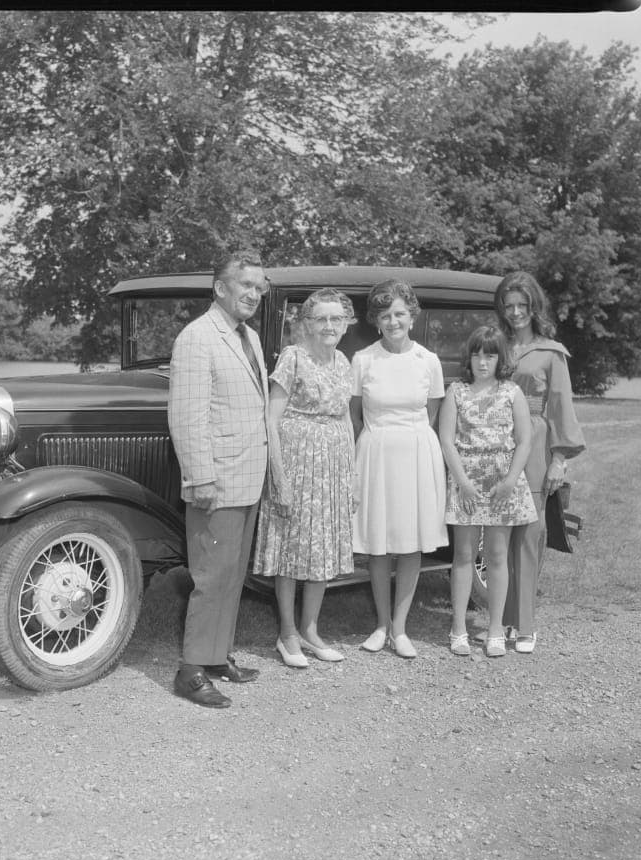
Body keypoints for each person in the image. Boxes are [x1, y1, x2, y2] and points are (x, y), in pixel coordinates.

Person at [167, 249, 271, 707]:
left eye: (259, 287)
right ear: (220, 288)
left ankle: (216, 656)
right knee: (211, 575)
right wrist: (200, 478)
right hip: (218, 479)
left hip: (249, 474)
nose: (254, 294)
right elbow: (187, 417)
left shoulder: (248, 336)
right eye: (245, 285)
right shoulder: (197, 337)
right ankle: (190, 670)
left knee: (232, 574)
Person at [252, 289, 357, 669]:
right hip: (297, 462)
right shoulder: (293, 358)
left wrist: (352, 475)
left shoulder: (344, 362)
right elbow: (272, 419)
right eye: (321, 319)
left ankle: (311, 630)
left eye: (336, 319)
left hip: (331, 467)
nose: (329, 326)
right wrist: (278, 475)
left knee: (322, 549)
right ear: (307, 324)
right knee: (291, 551)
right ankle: (287, 633)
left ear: (346, 324)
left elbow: (345, 418)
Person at [350, 279, 448, 659]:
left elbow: (432, 415)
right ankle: (381, 625)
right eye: (385, 314)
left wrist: (410, 438)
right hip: (375, 453)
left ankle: (402, 629)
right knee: (378, 544)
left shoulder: (428, 361)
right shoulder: (363, 360)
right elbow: (355, 416)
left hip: (416, 453)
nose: (393, 321)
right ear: (376, 320)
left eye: (400, 314)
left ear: (412, 316)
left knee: (409, 543)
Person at [494, 272, 586, 653]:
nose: (516, 312)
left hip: (533, 444)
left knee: (529, 536)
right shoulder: (494, 345)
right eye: (509, 305)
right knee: (498, 538)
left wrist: (559, 459)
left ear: (534, 307)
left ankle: (526, 624)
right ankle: (503, 621)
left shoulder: (551, 352)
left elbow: (561, 405)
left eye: (522, 305)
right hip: (495, 443)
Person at [440, 325, 538, 658]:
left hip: (502, 482)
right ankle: (459, 628)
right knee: (464, 556)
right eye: (477, 354)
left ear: (500, 358)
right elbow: (446, 440)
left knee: (497, 557)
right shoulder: (457, 392)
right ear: (469, 357)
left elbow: (525, 440)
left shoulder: (512, 392)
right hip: (466, 480)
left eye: (490, 355)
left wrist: (511, 479)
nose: (483, 362)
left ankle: (495, 628)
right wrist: (463, 482)